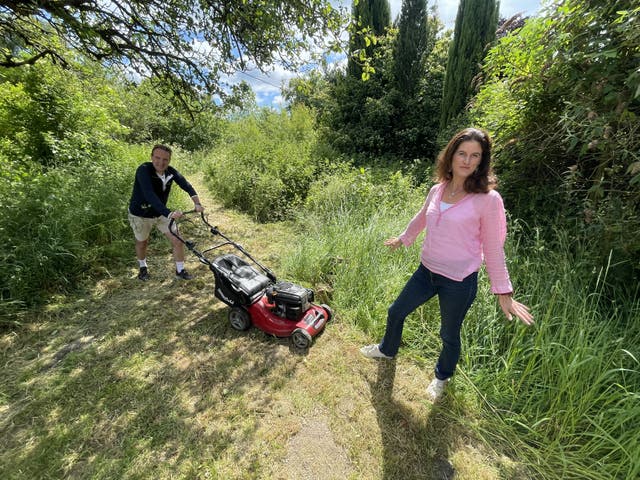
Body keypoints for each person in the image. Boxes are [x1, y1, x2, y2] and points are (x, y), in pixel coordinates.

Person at [360, 127, 534, 402]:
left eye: (475, 156)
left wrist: (503, 290)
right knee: (396, 312)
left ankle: (442, 377)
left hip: (459, 281)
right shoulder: (437, 189)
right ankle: (387, 349)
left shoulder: (488, 200)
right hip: (426, 272)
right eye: (462, 153)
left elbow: (493, 247)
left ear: (482, 161)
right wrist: (404, 239)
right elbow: (421, 218)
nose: (467, 160)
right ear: (451, 155)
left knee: (448, 334)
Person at [128, 144, 205, 281]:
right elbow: (149, 194)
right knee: (142, 243)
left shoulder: (171, 172)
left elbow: (186, 185)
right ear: (152, 157)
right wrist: (168, 213)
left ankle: (180, 271)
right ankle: (143, 268)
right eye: (157, 158)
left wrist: (197, 203)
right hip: (140, 214)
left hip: (161, 214)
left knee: (178, 240)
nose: (161, 162)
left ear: (169, 161)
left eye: (165, 159)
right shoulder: (143, 170)